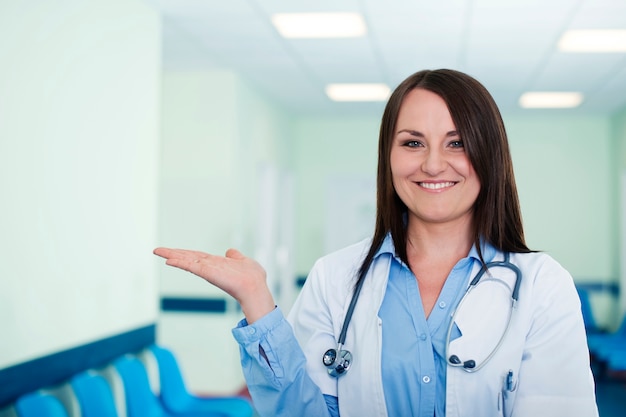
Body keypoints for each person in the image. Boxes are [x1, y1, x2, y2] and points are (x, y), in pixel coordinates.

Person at [154, 69, 599, 417]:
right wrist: (257, 300)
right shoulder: (335, 279)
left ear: (489, 154)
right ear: (388, 155)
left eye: (457, 142)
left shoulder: (543, 287)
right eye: (412, 143)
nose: (432, 163)